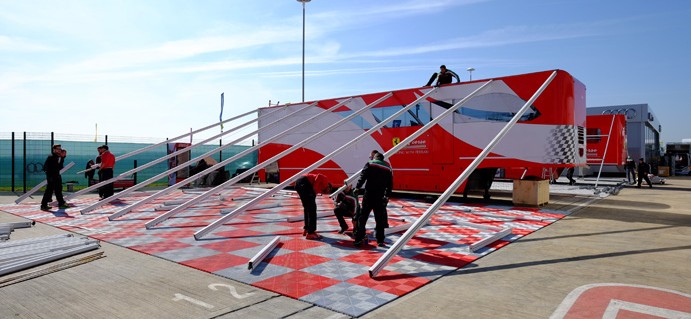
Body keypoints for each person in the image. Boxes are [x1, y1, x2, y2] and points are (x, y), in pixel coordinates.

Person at [353, 152, 393, 247]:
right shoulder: (388, 169)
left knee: (363, 218)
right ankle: (380, 240)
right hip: (379, 197)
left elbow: (363, 177)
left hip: (368, 195)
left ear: (375, 157)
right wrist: (387, 196)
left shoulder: (370, 164)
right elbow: (390, 185)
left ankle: (359, 238)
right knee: (379, 219)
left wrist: (357, 188)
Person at [294, 173, 332, 240]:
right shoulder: (325, 181)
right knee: (312, 209)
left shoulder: (321, 188)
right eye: (328, 191)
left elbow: (314, 194)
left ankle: (307, 229)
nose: (326, 192)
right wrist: (314, 189)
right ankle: (311, 233)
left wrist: (313, 191)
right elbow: (320, 175)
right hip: (305, 182)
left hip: (299, 183)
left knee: (307, 208)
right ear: (328, 186)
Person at [40, 144, 69, 211]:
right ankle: (44, 205)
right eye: (58, 149)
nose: (59, 150)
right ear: (54, 150)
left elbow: (60, 167)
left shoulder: (58, 157)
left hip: (56, 175)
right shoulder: (52, 157)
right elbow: (46, 167)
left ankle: (61, 203)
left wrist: (62, 158)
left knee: (58, 190)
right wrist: (50, 177)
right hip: (52, 176)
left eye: (60, 149)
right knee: (50, 191)